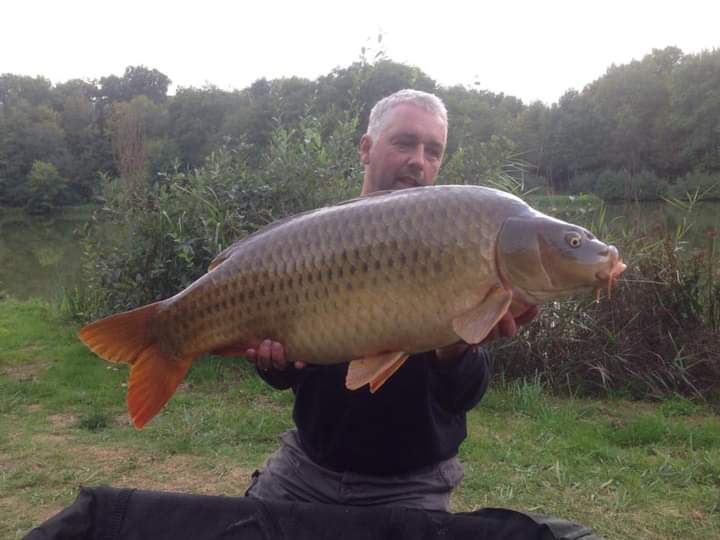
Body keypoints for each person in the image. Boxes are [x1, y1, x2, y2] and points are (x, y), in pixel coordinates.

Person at [242, 89, 603, 539]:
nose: (419, 160)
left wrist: (455, 350)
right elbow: (289, 374)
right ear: (366, 147)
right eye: (405, 142)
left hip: (410, 483)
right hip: (306, 467)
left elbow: (462, 396)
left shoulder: (461, 240)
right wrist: (271, 361)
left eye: (433, 151)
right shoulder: (318, 237)